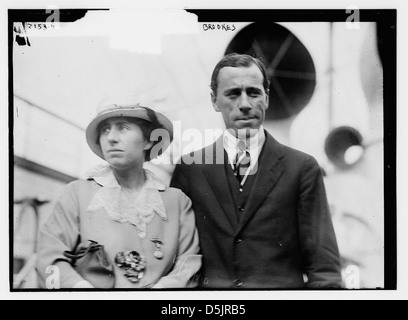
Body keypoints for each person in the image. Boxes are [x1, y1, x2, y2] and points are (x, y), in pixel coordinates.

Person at [171, 53, 342, 289]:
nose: (244, 104)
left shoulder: (302, 168)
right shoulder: (190, 168)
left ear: (267, 98)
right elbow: (177, 255)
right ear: (214, 100)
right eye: (233, 93)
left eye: (253, 92)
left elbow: (324, 267)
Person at [36, 98, 201, 289]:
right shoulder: (77, 193)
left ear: (148, 141)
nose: (111, 138)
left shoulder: (177, 201)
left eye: (123, 128)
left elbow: (189, 264)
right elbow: (49, 257)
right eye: (105, 129)